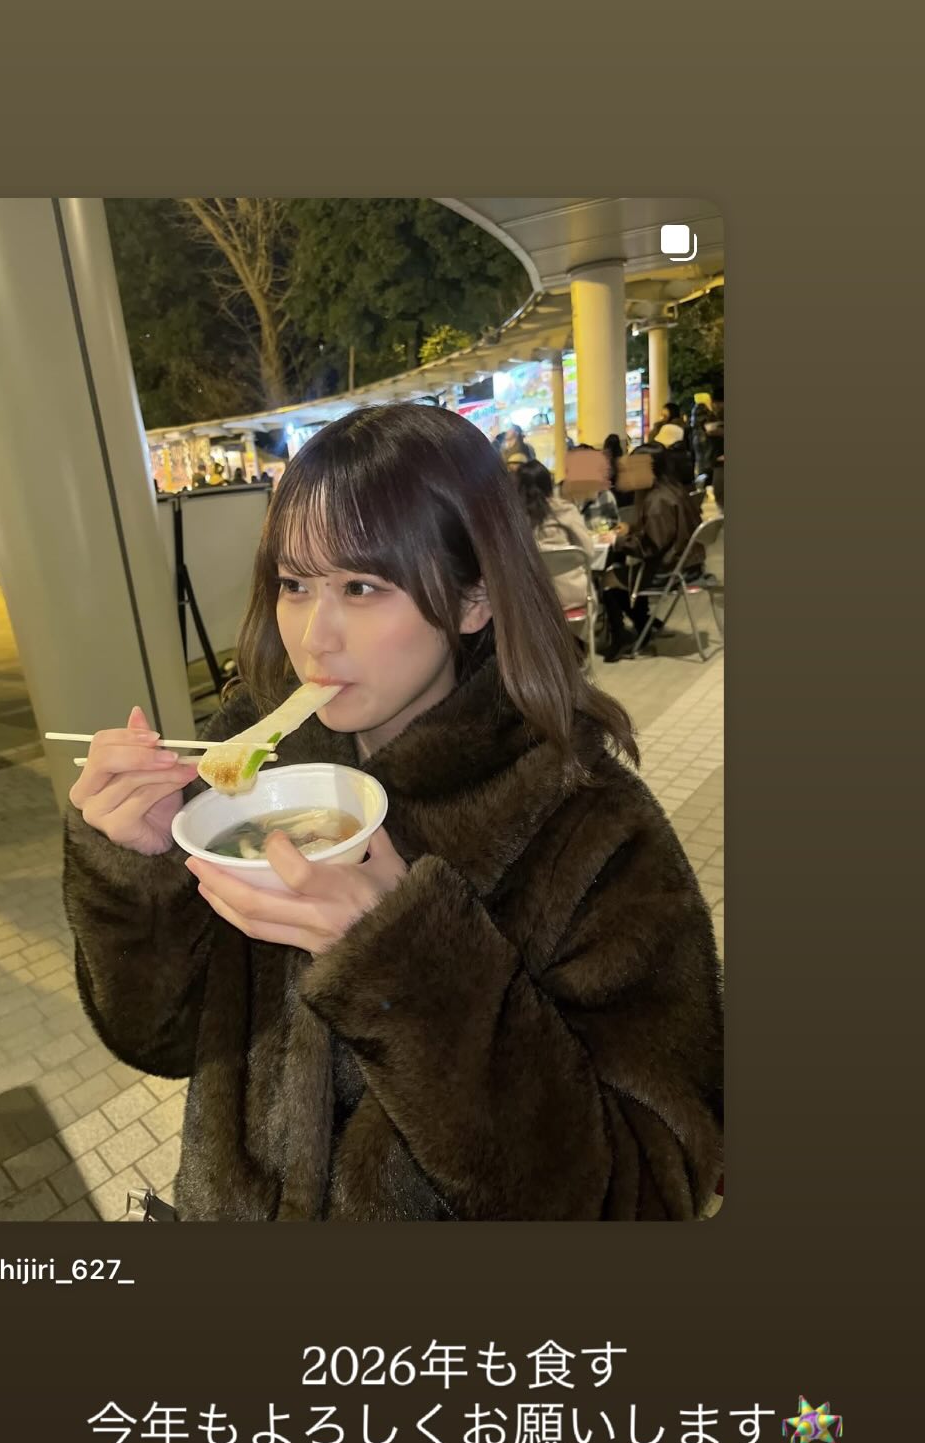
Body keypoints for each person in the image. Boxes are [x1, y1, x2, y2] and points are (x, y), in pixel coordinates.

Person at [64, 404, 722, 1221]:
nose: (315, 638)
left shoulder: (589, 828)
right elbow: (158, 1038)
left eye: (362, 587)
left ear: (475, 598)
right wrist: (136, 872)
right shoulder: (256, 772)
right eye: (295, 585)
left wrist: (408, 968)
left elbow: (650, 1192)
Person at [600, 446, 705, 658]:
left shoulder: (657, 501)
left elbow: (649, 547)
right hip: (689, 566)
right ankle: (645, 624)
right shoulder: (674, 490)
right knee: (628, 572)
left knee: (607, 579)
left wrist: (617, 541)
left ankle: (625, 636)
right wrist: (631, 529)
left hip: (668, 571)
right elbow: (661, 533)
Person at [513, 460, 595, 622]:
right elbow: (588, 552)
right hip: (572, 595)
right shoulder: (564, 510)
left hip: (533, 599)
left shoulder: (514, 519)